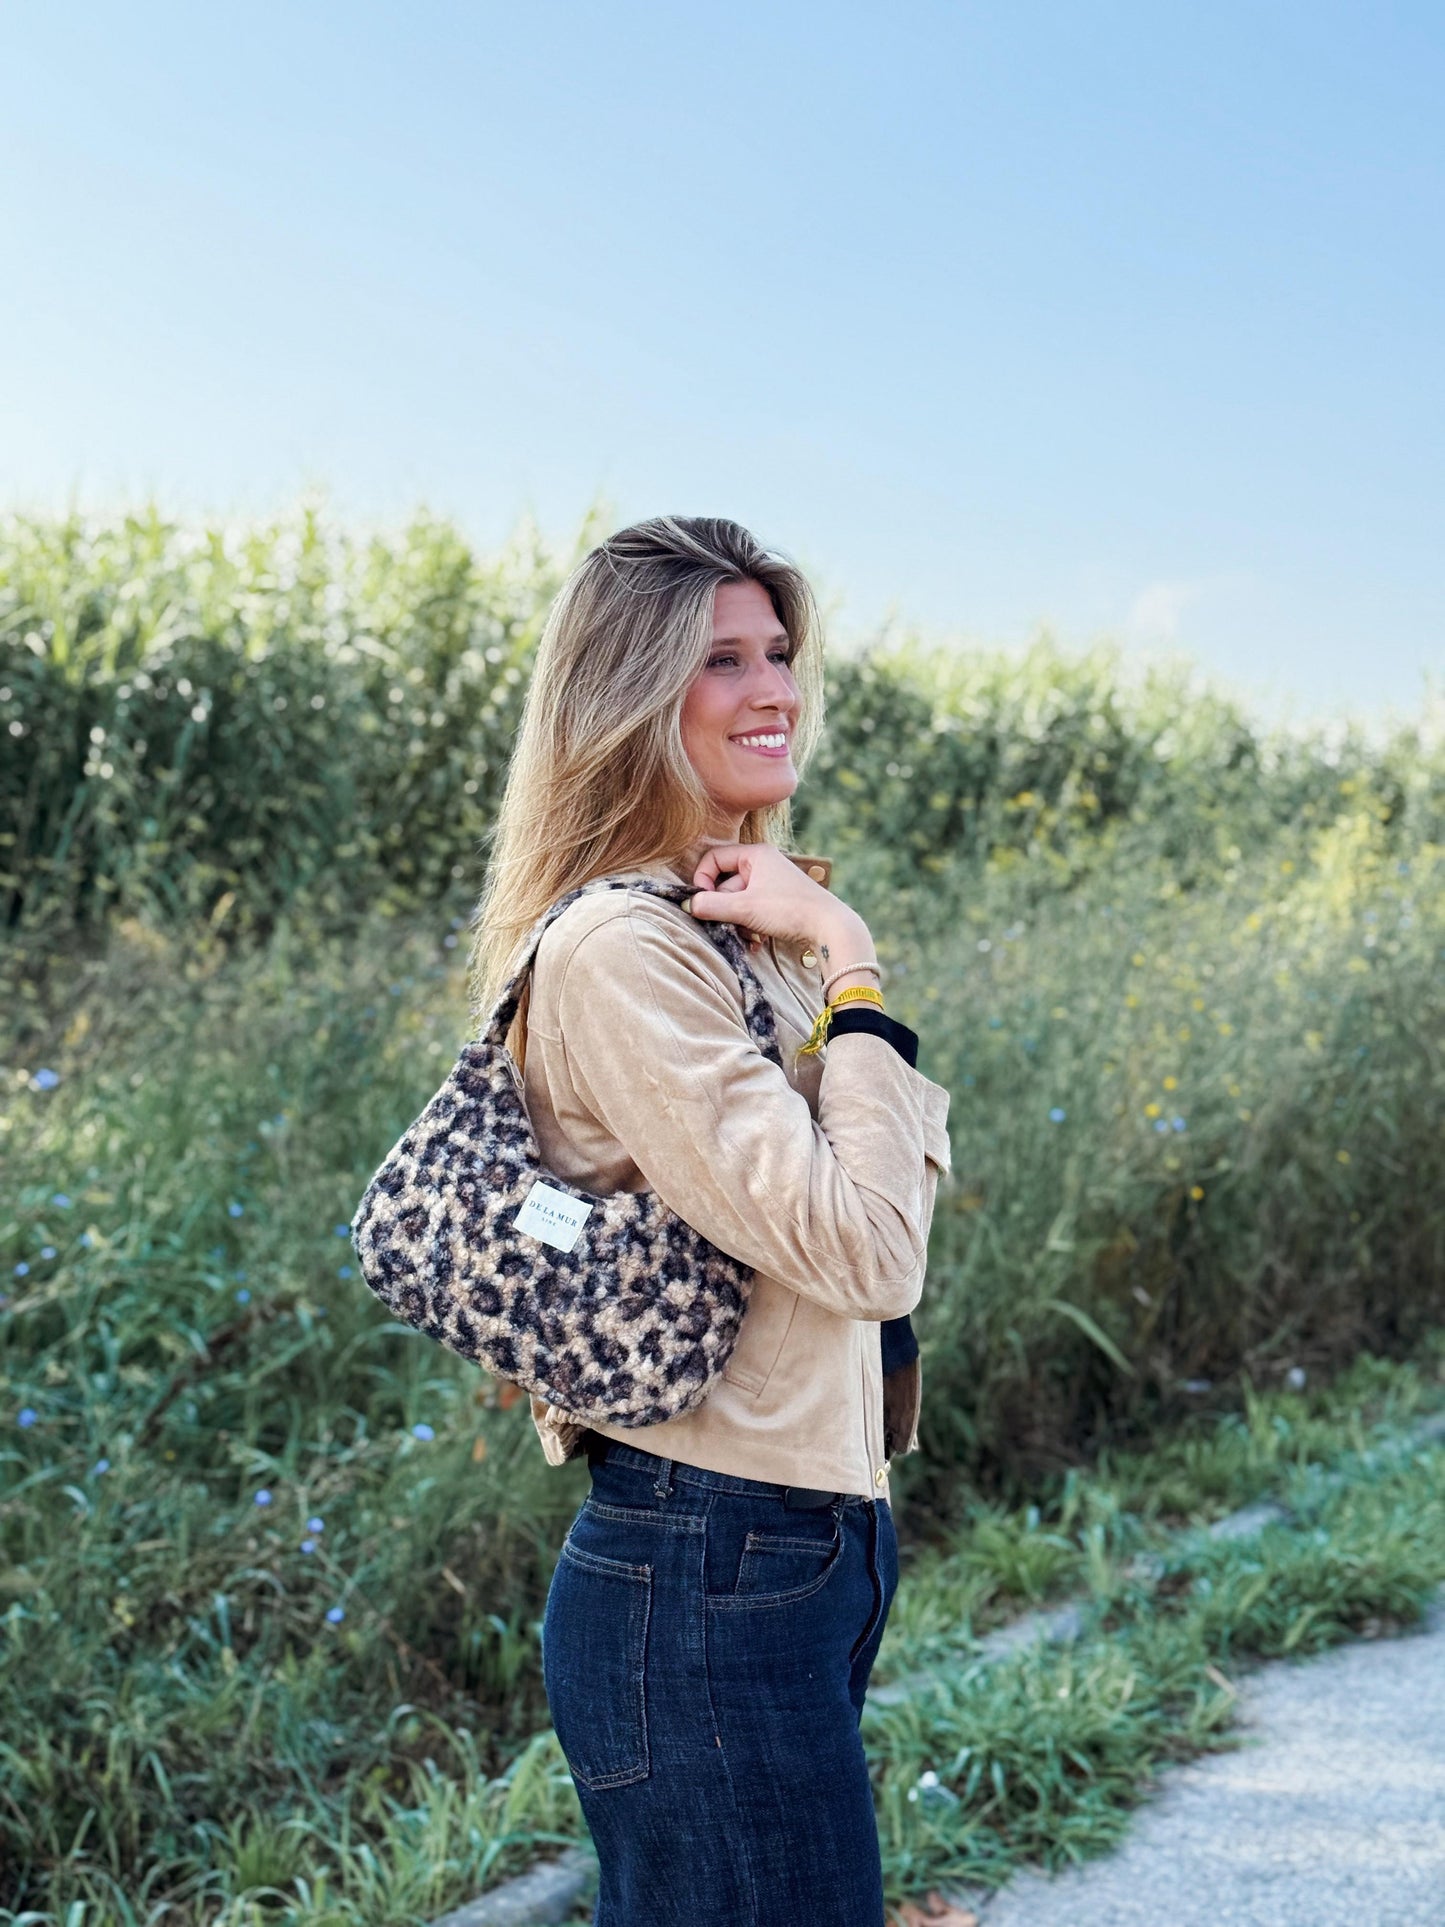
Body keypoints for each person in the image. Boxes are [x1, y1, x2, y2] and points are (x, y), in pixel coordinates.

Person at [465, 515, 952, 1926]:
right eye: (721, 661)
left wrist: (809, 943)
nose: (774, 689)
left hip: (797, 1541)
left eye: (780, 652)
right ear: (629, 699)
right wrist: (853, 958)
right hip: (706, 1555)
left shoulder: (735, 929)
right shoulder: (627, 951)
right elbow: (868, 1248)